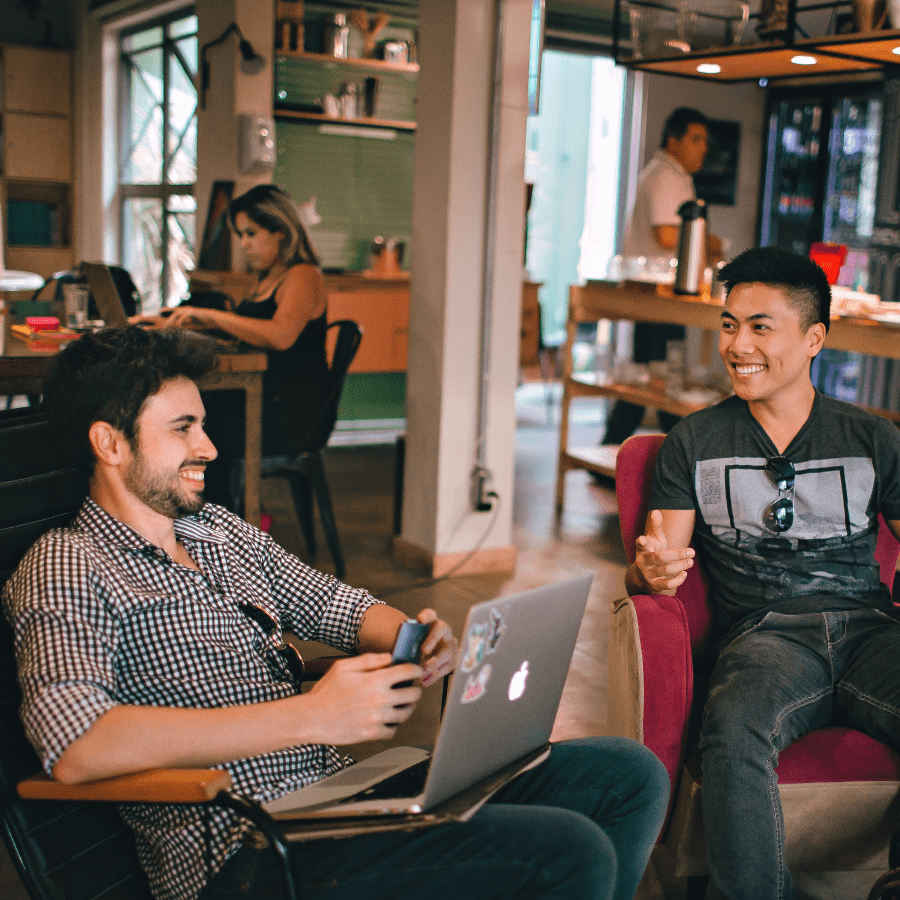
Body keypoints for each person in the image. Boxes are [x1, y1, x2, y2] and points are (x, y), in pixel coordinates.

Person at [3, 325, 669, 900]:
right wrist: (313, 715)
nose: (208, 446)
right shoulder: (69, 564)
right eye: (184, 429)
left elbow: (327, 602)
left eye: (202, 424)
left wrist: (410, 636)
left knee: (624, 775)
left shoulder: (217, 531)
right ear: (110, 443)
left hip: (336, 798)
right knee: (566, 850)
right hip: (246, 850)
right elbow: (76, 745)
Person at [626, 246, 900, 900]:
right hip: (765, 638)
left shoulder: (871, 438)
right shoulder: (694, 442)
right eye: (728, 324)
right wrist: (649, 573)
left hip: (870, 629)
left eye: (759, 326)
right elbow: (659, 568)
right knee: (734, 727)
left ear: (813, 339)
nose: (736, 345)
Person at [135, 184, 329, 509]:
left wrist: (209, 315)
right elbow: (248, 331)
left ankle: (209, 521)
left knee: (194, 424)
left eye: (251, 233)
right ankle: (192, 515)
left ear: (280, 230)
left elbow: (280, 335)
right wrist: (176, 322)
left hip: (289, 411)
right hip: (263, 396)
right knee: (185, 416)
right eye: (241, 234)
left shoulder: (303, 276)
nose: (244, 244)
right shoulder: (269, 277)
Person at [601, 107, 723, 449]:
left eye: (705, 141)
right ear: (673, 140)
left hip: (666, 294)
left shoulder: (672, 175)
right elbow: (668, 235)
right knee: (654, 378)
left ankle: (663, 451)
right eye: (695, 139)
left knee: (659, 376)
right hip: (658, 294)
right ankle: (620, 450)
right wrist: (712, 242)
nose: (703, 148)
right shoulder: (665, 176)